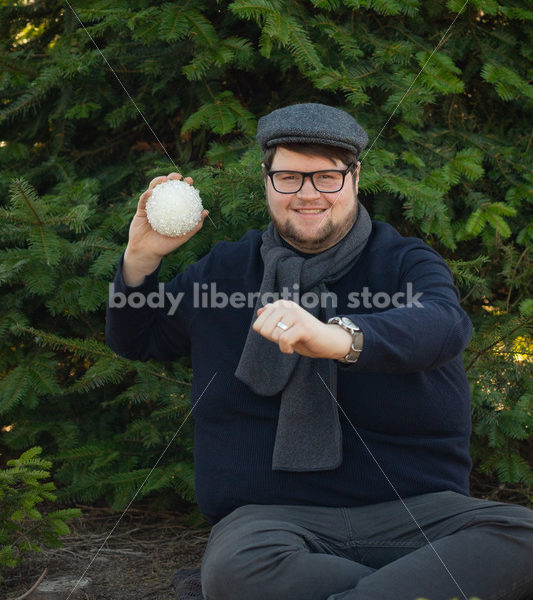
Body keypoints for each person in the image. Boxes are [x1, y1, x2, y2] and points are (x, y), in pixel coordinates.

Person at [106, 103, 533, 600]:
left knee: (523, 538)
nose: (308, 194)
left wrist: (341, 338)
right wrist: (141, 258)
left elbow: (442, 324)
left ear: (355, 177)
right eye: (289, 177)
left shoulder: (403, 261)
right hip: (270, 524)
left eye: (326, 177)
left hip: (414, 515)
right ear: (266, 181)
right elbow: (138, 338)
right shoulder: (225, 270)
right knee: (235, 571)